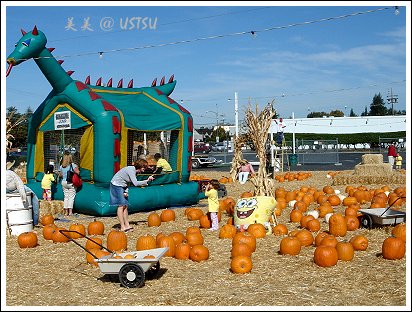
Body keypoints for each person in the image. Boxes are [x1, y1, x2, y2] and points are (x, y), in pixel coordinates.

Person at [110, 159, 155, 232]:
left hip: (123, 186)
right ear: (139, 166)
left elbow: (127, 182)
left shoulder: (135, 172)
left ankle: (127, 225)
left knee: (125, 206)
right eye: (143, 168)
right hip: (116, 185)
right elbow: (135, 183)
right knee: (121, 206)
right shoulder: (131, 170)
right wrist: (147, 181)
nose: (144, 170)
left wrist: (126, 191)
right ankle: (122, 227)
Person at [6, 161, 40, 226]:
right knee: (34, 198)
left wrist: (23, 196)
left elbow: (19, 184)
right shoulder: (10, 173)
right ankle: (35, 220)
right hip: (16, 189)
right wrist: (24, 197)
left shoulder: (9, 173)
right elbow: (19, 183)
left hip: (12, 190)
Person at [58, 151, 80, 216]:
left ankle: (65, 212)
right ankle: (70, 212)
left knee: (66, 197)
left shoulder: (61, 166)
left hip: (63, 182)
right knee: (71, 197)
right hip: (71, 183)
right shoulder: (73, 165)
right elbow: (78, 172)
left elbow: (60, 175)